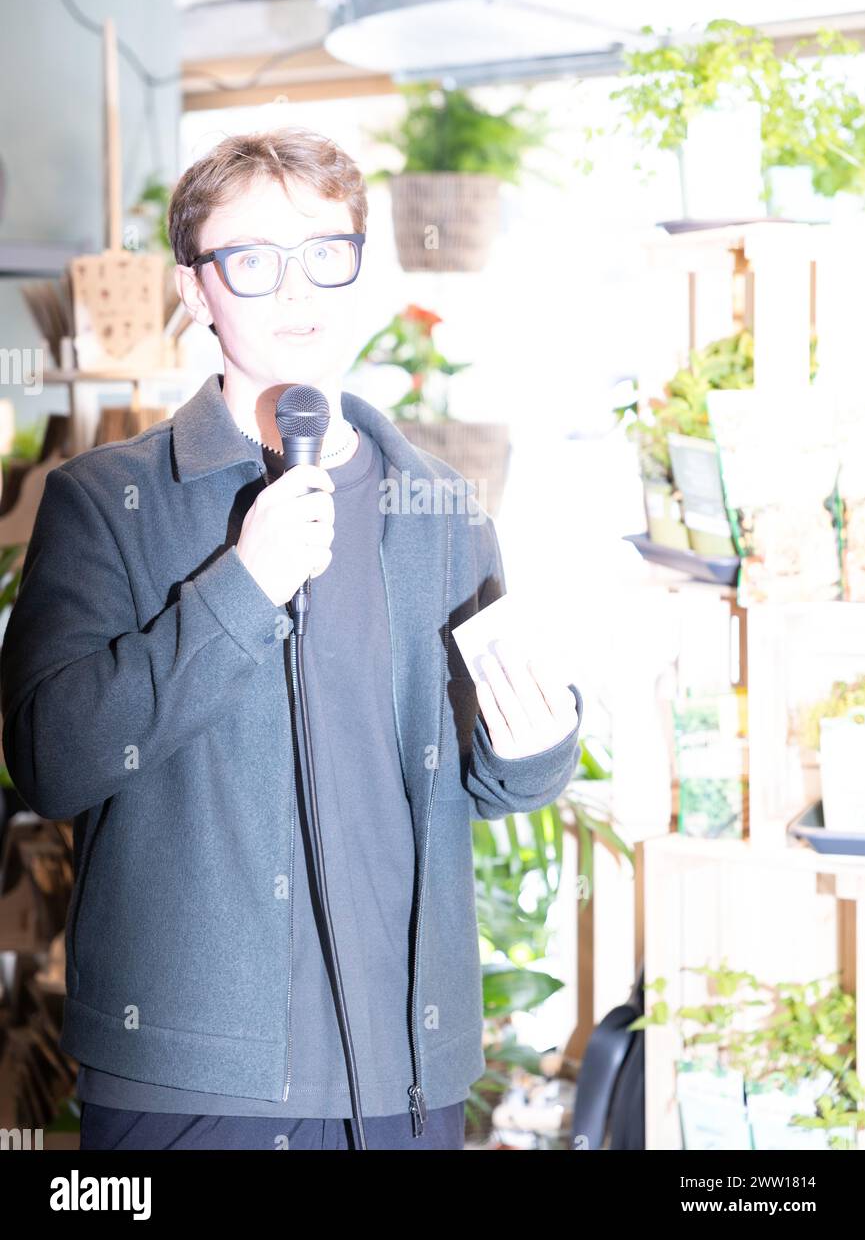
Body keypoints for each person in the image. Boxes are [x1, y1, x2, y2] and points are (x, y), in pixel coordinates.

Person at [0, 127, 584, 1151]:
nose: (295, 290)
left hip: (405, 1078)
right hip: (190, 1076)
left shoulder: (442, 508)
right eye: (252, 261)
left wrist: (536, 743)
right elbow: (53, 761)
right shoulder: (108, 502)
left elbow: (486, 777)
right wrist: (243, 587)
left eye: (324, 251)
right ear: (194, 289)